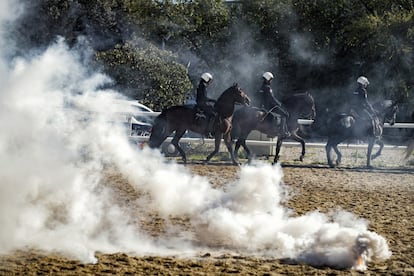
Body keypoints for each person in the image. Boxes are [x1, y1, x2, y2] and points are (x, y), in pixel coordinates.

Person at [257, 72, 290, 136]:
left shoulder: (261, 87)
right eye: (271, 79)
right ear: (268, 79)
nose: (271, 81)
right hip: (270, 107)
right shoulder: (268, 88)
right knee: (285, 114)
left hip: (263, 106)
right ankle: (282, 131)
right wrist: (279, 103)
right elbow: (272, 99)